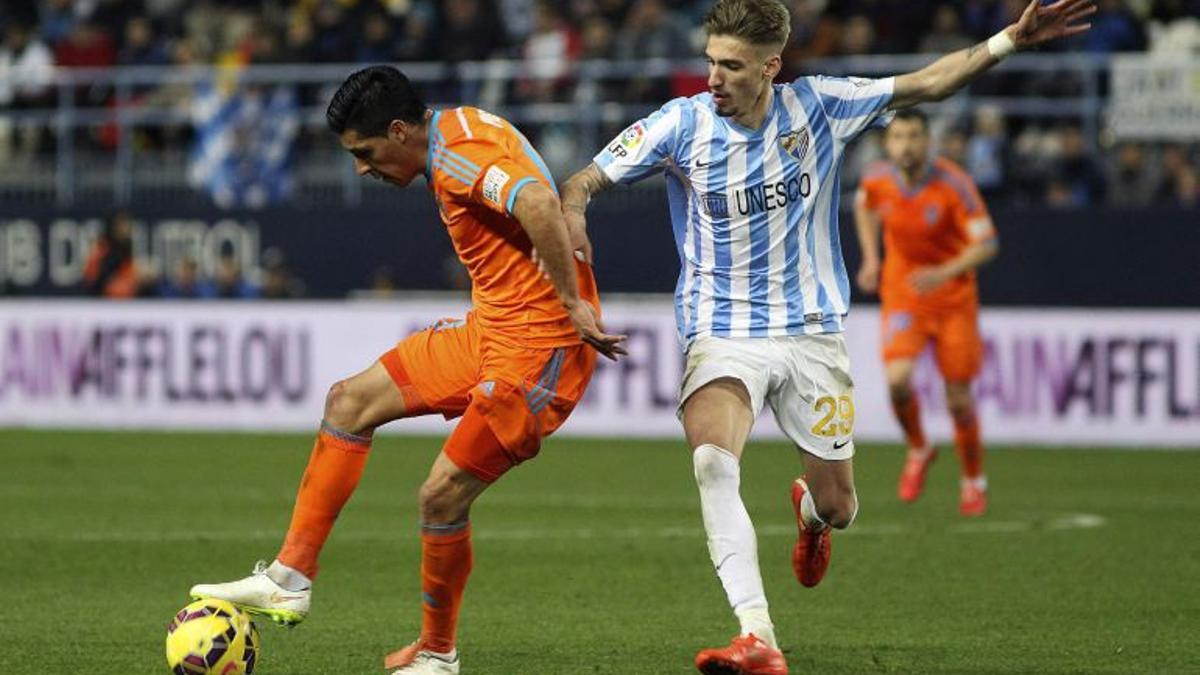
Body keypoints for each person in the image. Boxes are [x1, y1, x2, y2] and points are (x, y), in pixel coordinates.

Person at [559, 1, 1092, 672]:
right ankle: (758, 635)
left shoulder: (821, 108)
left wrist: (1009, 39)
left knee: (841, 505)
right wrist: (576, 208)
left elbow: (929, 82)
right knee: (712, 461)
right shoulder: (680, 123)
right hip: (722, 330)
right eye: (710, 62)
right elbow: (582, 179)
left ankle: (810, 516)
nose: (714, 79)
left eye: (731, 66)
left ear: (770, 67)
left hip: (812, 331)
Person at [190, 65, 625, 675]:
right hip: (490, 330)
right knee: (349, 402)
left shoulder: (459, 157)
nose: (361, 169)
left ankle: (438, 654)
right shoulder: (456, 131)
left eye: (365, 153)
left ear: (399, 131)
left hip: (537, 349)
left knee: (441, 496)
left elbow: (535, 203)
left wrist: (574, 304)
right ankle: (290, 577)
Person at [854, 108, 999, 517]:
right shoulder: (877, 179)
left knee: (957, 399)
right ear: (888, 143)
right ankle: (919, 448)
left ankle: (973, 480)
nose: (906, 145)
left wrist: (944, 271)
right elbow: (863, 207)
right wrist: (871, 257)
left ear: (927, 141)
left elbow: (986, 244)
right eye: (898, 137)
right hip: (904, 295)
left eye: (914, 136)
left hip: (953, 298)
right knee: (898, 381)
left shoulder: (954, 185)